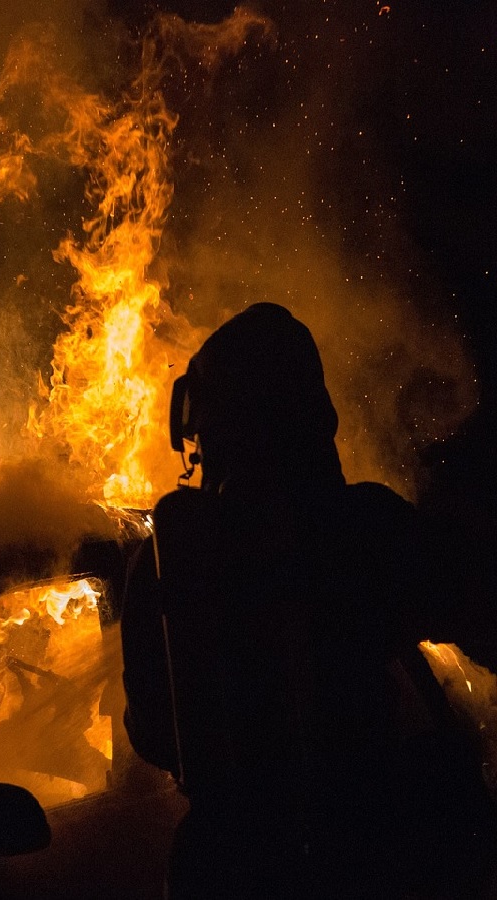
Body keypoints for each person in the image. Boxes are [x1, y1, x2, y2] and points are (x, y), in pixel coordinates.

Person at [120, 303, 494, 898]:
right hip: (372, 850)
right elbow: (478, 613)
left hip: (229, 864)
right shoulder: (367, 526)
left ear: (205, 427)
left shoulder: (168, 558)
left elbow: (151, 733)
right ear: (312, 411)